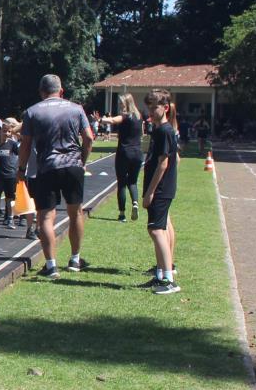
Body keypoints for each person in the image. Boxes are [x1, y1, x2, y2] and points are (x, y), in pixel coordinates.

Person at [18, 73, 94, 279]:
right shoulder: (76, 109)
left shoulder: (32, 112)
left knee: (45, 216)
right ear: (61, 91)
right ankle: (75, 260)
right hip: (73, 165)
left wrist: (21, 168)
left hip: (46, 167)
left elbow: (25, 144)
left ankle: (51, 265)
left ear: (41, 92)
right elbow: (88, 138)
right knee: (76, 212)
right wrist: (82, 160)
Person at [141, 90, 181, 295]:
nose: (151, 110)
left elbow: (163, 164)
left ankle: (168, 278)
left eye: (154, 106)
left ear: (165, 108)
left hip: (161, 188)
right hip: (163, 187)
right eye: (149, 107)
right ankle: (160, 273)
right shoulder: (160, 130)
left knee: (156, 230)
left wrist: (150, 192)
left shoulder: (164, 131)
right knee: (162, 227)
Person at [103, 93, 144, 223]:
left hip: (124, 152)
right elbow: (142, 133)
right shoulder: (139, 117)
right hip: (138, 153)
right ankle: (135, 202)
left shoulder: (125, 116)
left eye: (121, 103)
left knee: (121, 183)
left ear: (126, 104)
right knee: (133, 181)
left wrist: (101, 119)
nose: (120, 106)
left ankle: (122, 214)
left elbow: (113, 120)